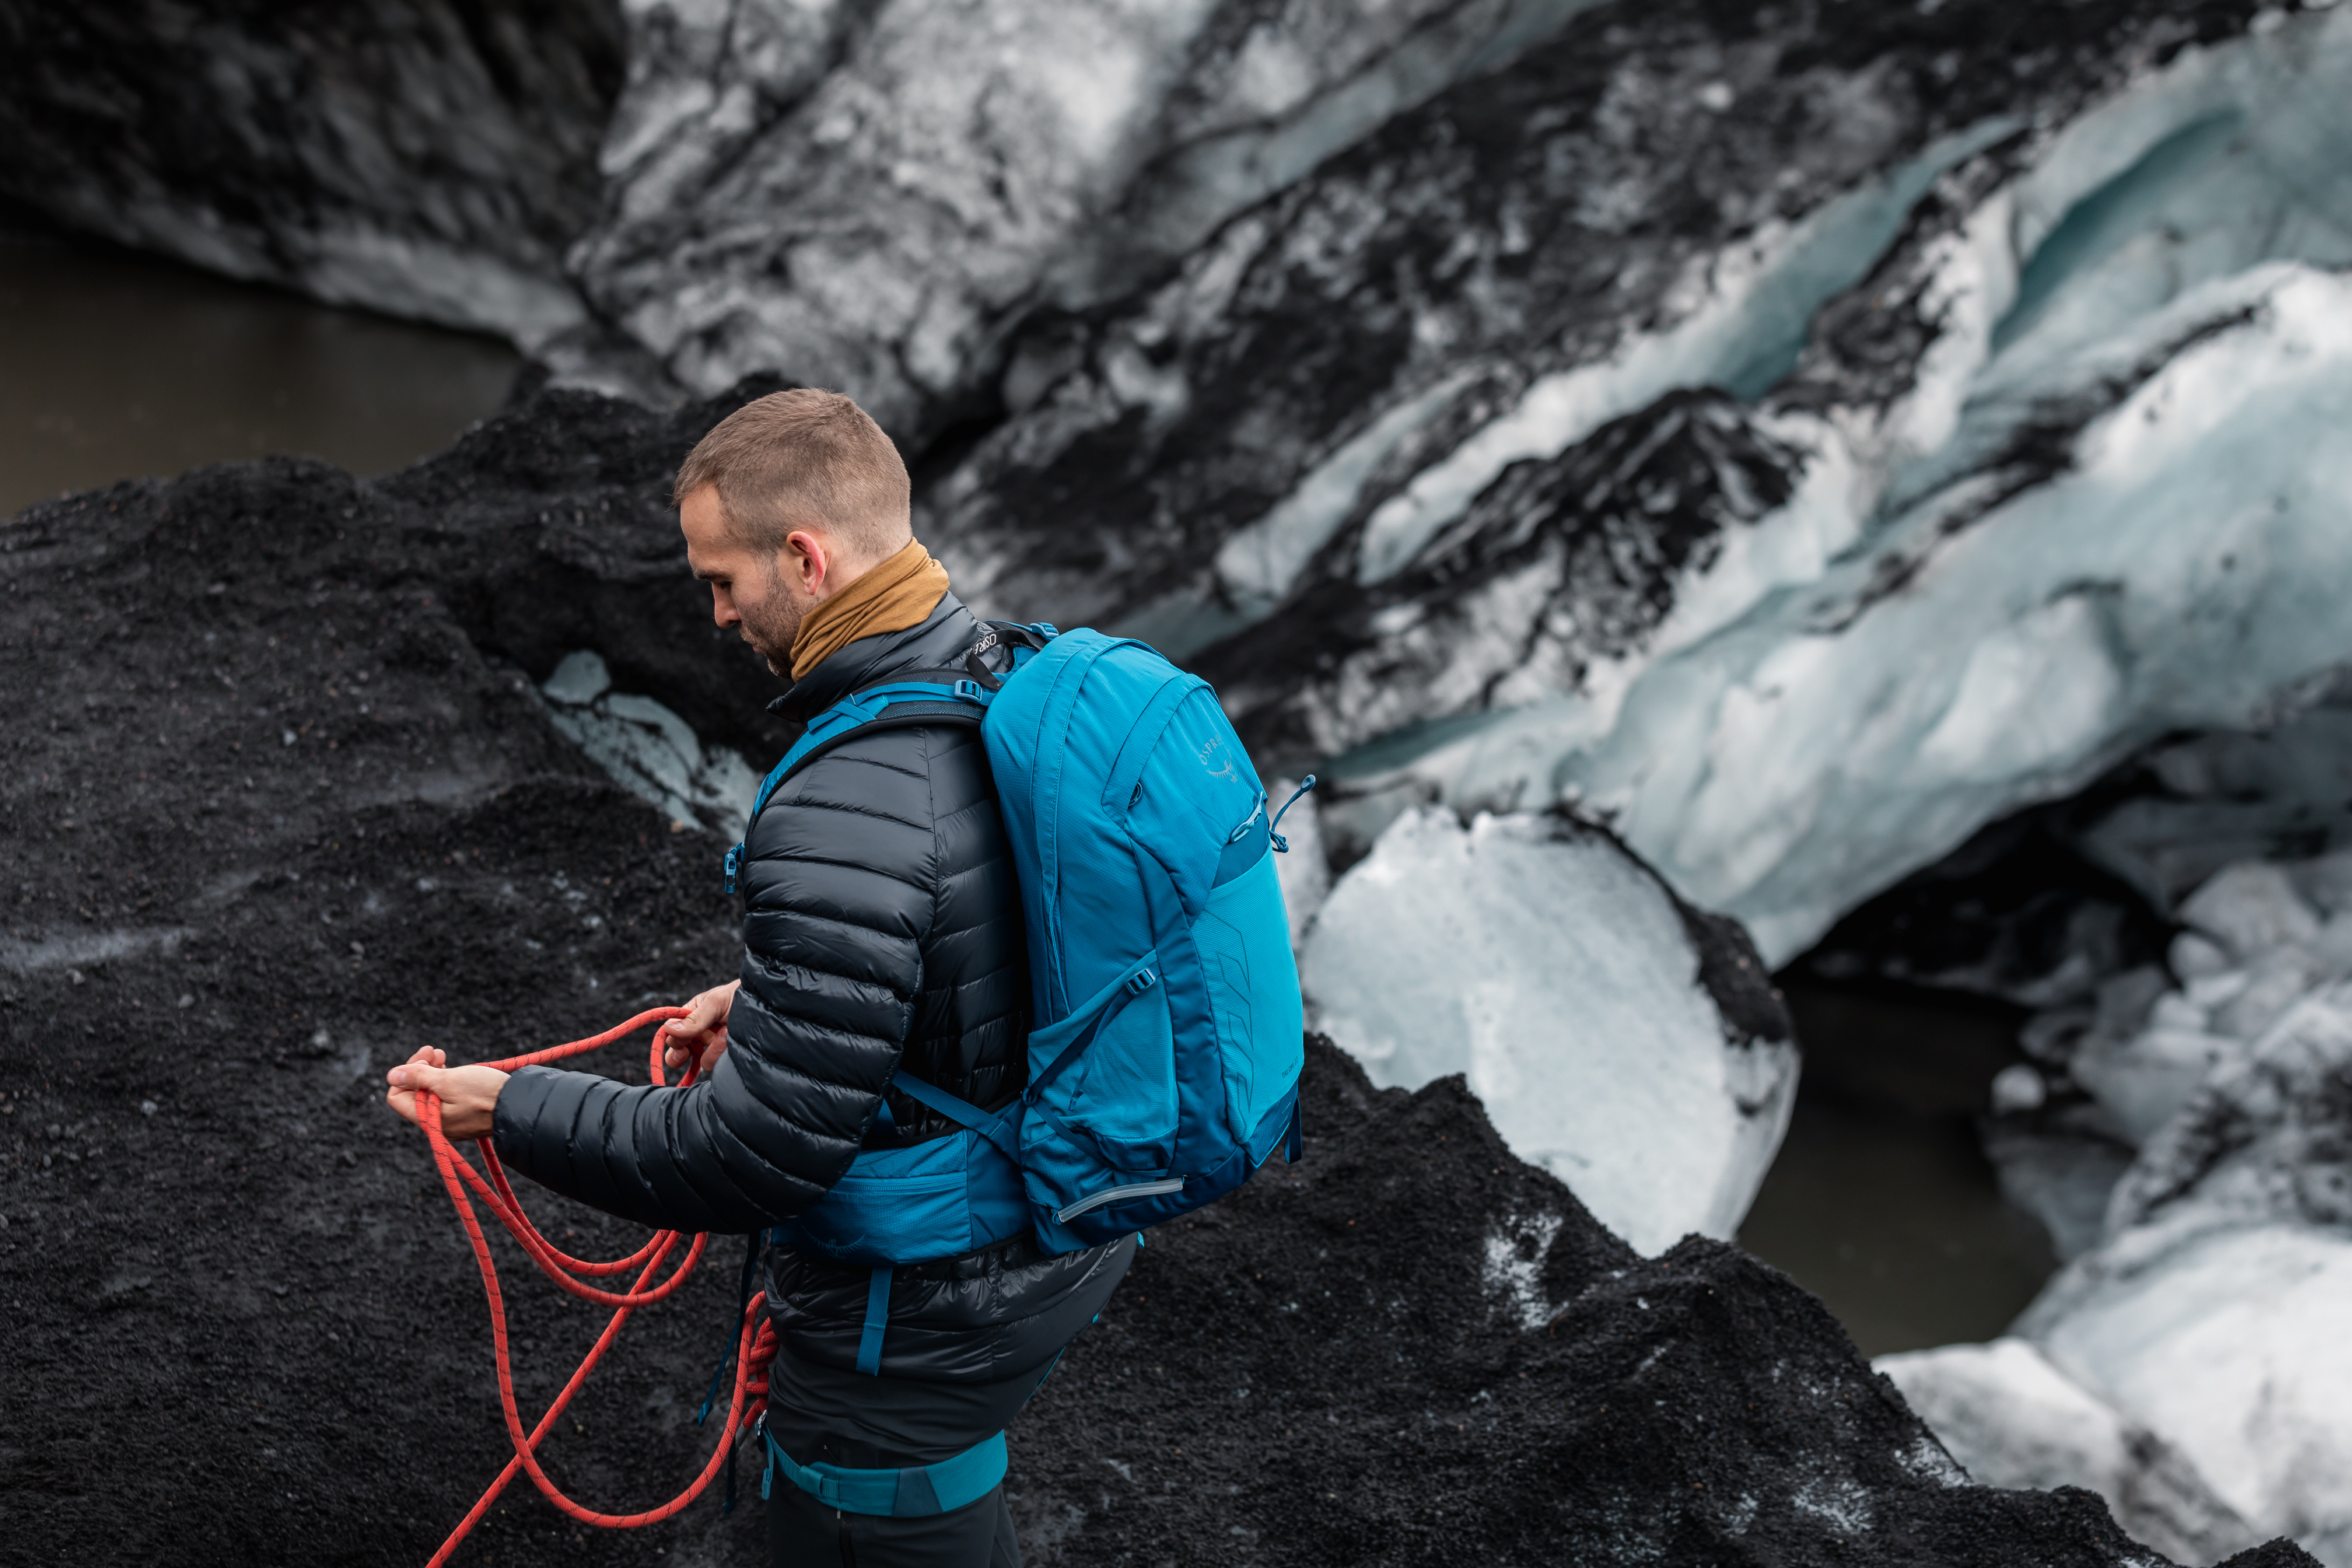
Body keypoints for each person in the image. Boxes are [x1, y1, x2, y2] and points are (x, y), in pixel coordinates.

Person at [385, 387, 1132, 1567]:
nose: (718, 614)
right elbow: (990, 941)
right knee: (944, 1493)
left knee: (869, 1514)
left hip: (920, 1306)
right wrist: (783, 1004)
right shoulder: (996, 677)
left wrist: (507, 1109)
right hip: (1037, 1261)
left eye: (722, 579)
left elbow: (750, 1155)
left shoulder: (848, 802)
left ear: (805, 554)